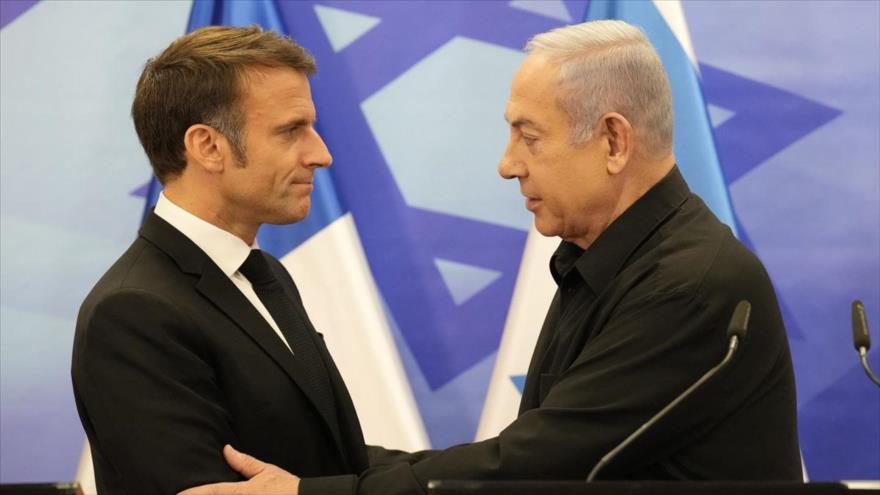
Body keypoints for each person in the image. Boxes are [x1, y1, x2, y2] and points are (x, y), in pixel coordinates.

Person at [181, 19, 803, 495]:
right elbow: (525, 458)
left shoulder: (687, 286)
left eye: (528, 136)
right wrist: (320, 471)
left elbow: (534, 471)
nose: (508, 165)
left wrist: (314, 491)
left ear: (614, 141)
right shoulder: (607, 261)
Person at [71, 26, 375, 494]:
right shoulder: (133, 312)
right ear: (208, 147)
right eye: (291, 130)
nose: (321, 154)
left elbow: (323, 458)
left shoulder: (265, 273)